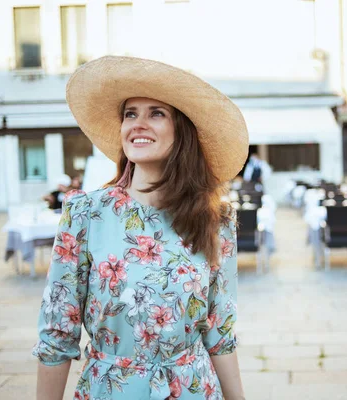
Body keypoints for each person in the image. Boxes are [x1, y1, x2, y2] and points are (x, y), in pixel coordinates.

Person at [32, 56, 247, 400]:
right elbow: (57, 336)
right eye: (130, 113)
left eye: (156, 113)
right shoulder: (85, 214)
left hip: (193, 389)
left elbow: (220, 333)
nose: (138, 124)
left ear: (183, 131)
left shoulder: (215, 221)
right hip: (110, 390)